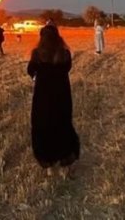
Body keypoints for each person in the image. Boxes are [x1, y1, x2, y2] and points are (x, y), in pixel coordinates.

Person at [27, 25, 80, 172]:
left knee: (43, 126)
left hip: (43, 96)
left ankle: (48, 163)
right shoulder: (65, 53)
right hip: (62, 94)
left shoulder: (37, 53)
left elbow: (30, 70)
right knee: (62, 123)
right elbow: (67, 68)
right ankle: (66, 160)